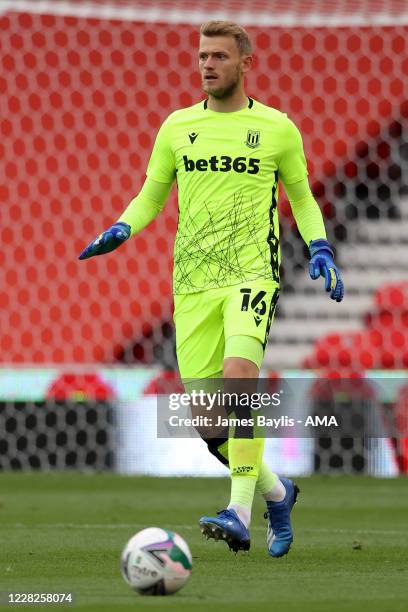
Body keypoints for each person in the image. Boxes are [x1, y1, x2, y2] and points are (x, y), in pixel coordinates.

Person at [79, 20, 344, 557]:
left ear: (245, 64)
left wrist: (320, 246)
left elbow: (304, 197)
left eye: (219, 56)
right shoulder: (177, 127)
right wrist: (122, 227)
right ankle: (277, 491)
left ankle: (238, 513)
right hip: (193, 284)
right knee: (207, 425)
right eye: (202, 55)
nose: (207, 65)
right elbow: (151, 196)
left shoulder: (277, 129)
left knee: (239, 384)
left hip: (252, 275)